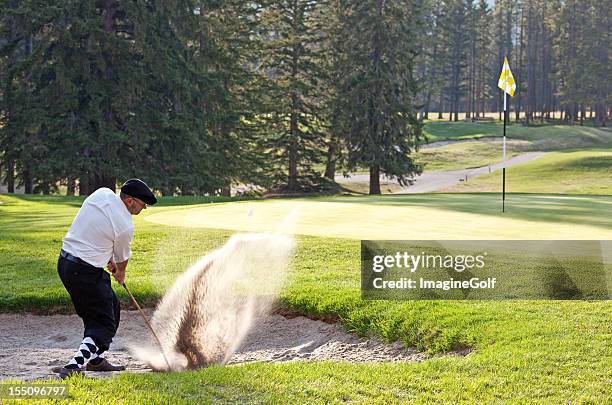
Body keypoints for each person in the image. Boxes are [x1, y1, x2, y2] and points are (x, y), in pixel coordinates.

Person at [55, 179, 157, 379]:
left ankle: (96, 360)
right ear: (129, 202)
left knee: (111, 305)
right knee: (104, 323)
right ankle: (73, 366)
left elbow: (96, 229)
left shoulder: (101, 193)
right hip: (85, 272)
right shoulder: (126, 225)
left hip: (66, 263)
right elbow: (122, 260)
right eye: (142, 205)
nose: (143, 209)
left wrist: (107, 257)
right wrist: (120, 272)